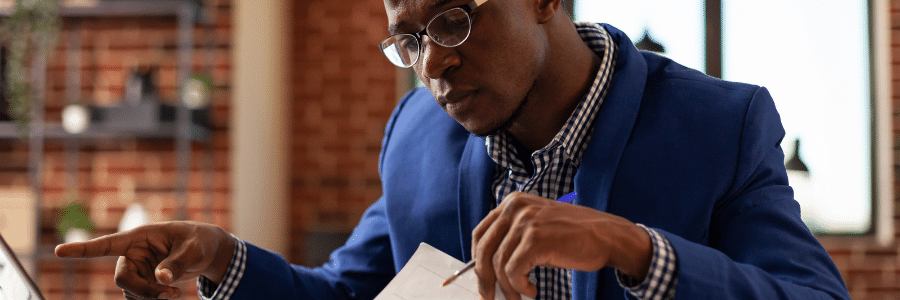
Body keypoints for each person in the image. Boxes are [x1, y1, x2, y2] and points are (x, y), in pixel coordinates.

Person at [55, 0, 852, 299]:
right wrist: (220, 254)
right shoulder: (416, 140)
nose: (432, 63)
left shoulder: (720, 125)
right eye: (409, 38)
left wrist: (632, 248)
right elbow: (348, 292)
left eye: (454, 21)